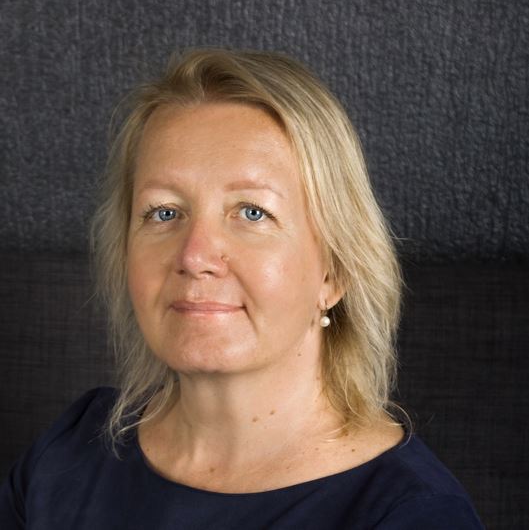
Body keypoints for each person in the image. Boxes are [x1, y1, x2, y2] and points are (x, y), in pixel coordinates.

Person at [0, 48, 484, 529]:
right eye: (164, 212)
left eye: (253, 212)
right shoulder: (69, 453)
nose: (194, 256)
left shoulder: (412, 514)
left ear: (335, 271)